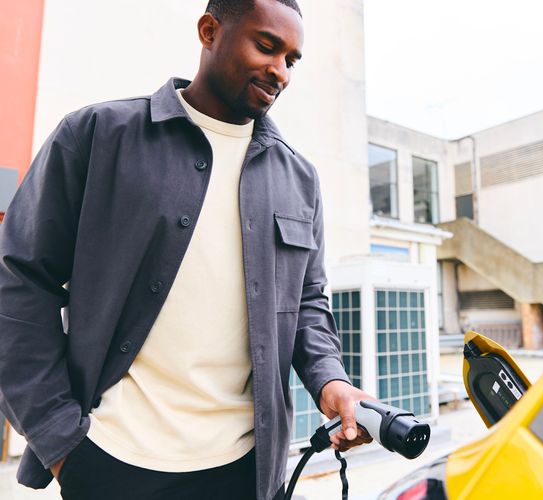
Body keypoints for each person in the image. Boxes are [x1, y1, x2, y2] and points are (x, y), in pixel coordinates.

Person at [0, 0, 373, 498]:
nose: (280, 71)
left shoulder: (298, 180)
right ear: (209, 30)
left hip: (247, 470)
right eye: (266, 46)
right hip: (111, 460)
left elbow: (307, 303)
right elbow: (19, 280)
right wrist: (60, 440)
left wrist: (331, 381)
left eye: (291, 60)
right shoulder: (97, 135)